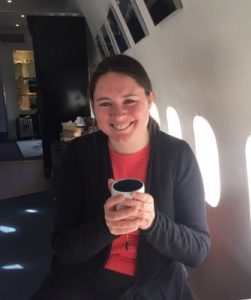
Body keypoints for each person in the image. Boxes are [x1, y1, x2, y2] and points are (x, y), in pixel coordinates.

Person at [31, 54, 211, 299]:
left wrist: (153, 222)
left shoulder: (177, 155)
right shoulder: (79, 155)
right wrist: (106, 227)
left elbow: (197, 251)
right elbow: (65, 249)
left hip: (153, 285)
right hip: (84, 283)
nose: (118, 115)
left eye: (129, 100)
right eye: (105, 104)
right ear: (93, 108)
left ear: (149, 99)